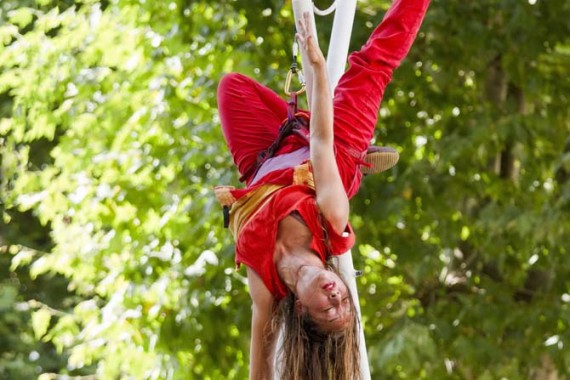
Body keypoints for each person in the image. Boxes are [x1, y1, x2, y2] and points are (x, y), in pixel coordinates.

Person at [215, 1, 430, 379]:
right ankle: (361, 153)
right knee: (373, 60)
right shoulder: (330, 219)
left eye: (328, 309)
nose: (336, 296)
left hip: (270, 162)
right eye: (344, 300)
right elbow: (321, 139)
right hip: (335, 147)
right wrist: (314, 66)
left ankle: (295, 121)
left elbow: (259, 364)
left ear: (300, 309)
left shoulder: (265, 285)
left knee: (232, 88)